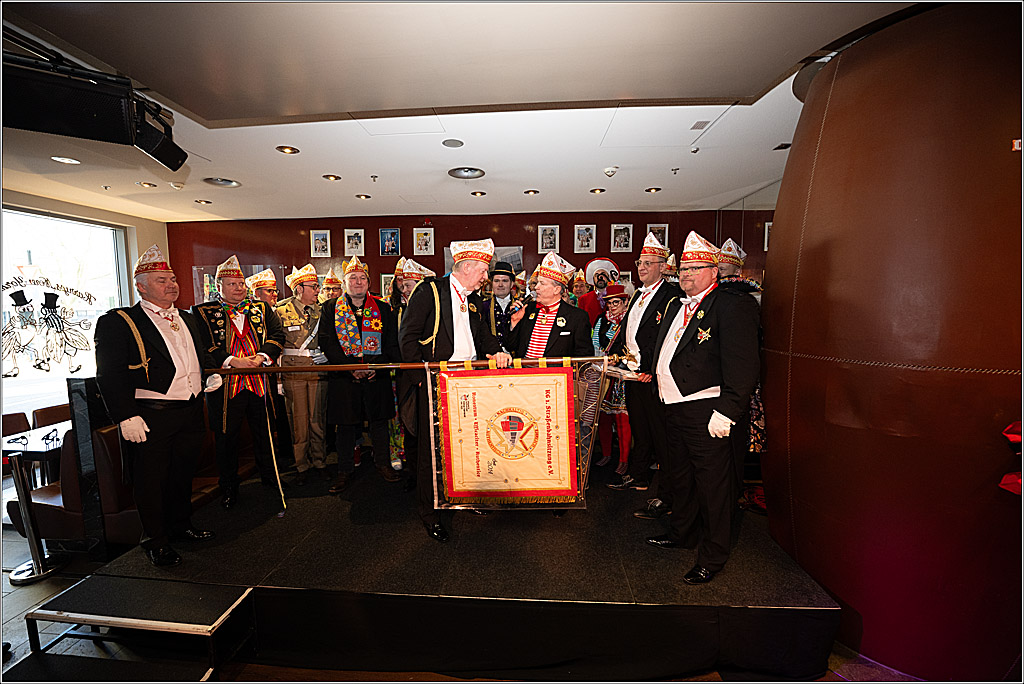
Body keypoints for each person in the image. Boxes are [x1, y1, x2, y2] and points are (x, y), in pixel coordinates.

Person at [644, 231, 760, 585]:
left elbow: (743, 365)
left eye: (696, 268)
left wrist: (727, 412)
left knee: (713, 487)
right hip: (673, 406)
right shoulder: (677, 306)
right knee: (680, 476)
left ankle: (713, 555)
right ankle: (683, 533)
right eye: (684, 269)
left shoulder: (731, 304)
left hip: (707, 411)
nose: (688, 275)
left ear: (713, 271)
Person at [94, 245, 215, 567]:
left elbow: (199, 357)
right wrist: (124, 416)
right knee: (151, 480)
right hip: (151, 414)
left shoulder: (189, 319)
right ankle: (155, 540)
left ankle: (181, 526)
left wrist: (208, 376)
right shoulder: (119, 322)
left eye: (173, 279)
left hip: (190, 410)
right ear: (141, 286)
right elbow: (110, 373)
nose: (171, 285)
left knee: (182, 474)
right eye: (162, 280)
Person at [398, 238, 512, 542]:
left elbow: (483, 337)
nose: (485, 277)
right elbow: (407, 338)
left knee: (467, 447)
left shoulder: (473, 299)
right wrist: (421, 378)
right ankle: (430, 513)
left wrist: (498, 352)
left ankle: (467, 499)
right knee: (430, 453)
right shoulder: (429, 290)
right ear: (468, 267)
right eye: (483, 271)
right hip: (433, 381)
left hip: (466, 383)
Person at [193, 255, 285, 509]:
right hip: (225, 385)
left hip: (258, 382)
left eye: (242, 283)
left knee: (264, 432)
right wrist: (232, 361)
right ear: (218, 286)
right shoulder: (202, 312)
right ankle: (229, 487)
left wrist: (262, 356)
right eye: (232, 284)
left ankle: (270, 477)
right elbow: (203, 346)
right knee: (226, 438)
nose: (239, 288)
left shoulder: (262, 308)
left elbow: (278, 335)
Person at [319, 256, 403, 493]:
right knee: (345, 426)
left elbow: (391, 344)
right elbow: (327, 343)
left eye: (362, 278)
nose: (358, 282)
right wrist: (350, 367)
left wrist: (375, 366)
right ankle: (344, 471)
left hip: (377, 376)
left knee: (379, 423)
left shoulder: (384, 309)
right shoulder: (330, 308)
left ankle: (383, 464)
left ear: (368, 282)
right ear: (345, 283)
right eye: (353, 278)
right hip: (345, 378)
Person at [607, 233, 680, 494]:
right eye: (640, 262)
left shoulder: (672, 295)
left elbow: (667, 337)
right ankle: (639, 476)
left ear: (663, 266)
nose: (642, 267)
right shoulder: (637, 293)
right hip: (631, 374)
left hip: (651, 376)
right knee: (640, 428)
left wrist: (649, 368)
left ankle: (669, 489)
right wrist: (613, 355)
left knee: (660, 433)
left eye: (649, 263)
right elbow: (627, 328)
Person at [716, 238, 765, 491]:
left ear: (737, 270)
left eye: (724, 267)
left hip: (736, 382)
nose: (720, 270)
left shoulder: (745, 298)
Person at [274, 264, 330, 486]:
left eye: (317, 286)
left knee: (318, 419)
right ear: (299, 289)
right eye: (313, 286)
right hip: (293, 371)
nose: (317, 290)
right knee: (298, 421)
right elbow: (275, 345)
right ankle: (301, 465)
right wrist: (279, 378)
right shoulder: (280, 311)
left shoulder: (323, 310)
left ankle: (320, 461)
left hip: (317, 371)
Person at [507, 252, 592, 360]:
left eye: (542, 283)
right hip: (525, 373)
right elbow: (511, 347)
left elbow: (584, 356)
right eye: (537, 283)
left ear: (556, 290)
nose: (536, 287)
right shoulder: (527, 309)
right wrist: (514, 323)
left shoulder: (577, 317)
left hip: (556, 375)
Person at [590, 284, 632, 474]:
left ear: (625, 302)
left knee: (622, 418)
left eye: (616, 302)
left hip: (622, 376)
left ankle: (624, 459)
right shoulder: (602, 319)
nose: (612, 306)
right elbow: (595, 341)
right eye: (609, 303)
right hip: (603, 373)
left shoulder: (630, 320)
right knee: (603, 417)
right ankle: (606, 454)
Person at [480, 261, 519, 351]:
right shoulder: (483, 306)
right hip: (490, 358)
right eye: (496, 281)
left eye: (505, 281)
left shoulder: (521, 307)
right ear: (492, 283)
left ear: (512, 284)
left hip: (516, 360)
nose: (500, 285)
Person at [578, 258, 620, 326]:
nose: (599, 277)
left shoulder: (617, 297)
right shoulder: (583, 299)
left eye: (603, 274)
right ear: (593, 279)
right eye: (596, 275)